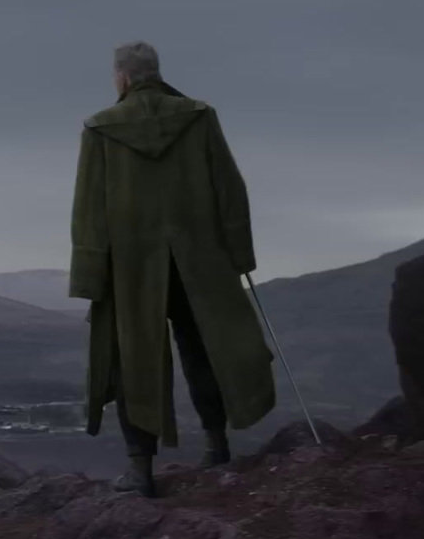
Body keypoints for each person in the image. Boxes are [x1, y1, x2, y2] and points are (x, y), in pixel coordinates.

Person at [69, 41, 277, 497]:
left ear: (121, 77)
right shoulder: (199, 116)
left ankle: (141, 471)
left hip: (130, 269)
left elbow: (89, 209)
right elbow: (229, 187)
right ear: (155, 72)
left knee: (132, 362)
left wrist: (89, 276)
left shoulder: (100, 128)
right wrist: (240, 255)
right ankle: (217, 446)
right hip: (199, 260)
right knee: (205, 348)